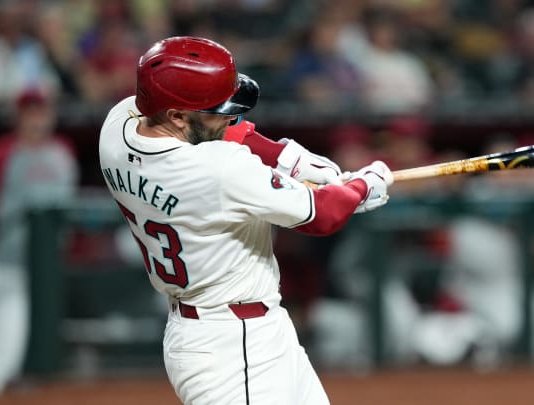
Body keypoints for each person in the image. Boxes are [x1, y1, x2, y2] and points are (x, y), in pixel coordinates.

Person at [98, 36, 393, 405]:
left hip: (239, 330)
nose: (230, 118)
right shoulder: (217, 170)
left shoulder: (118, 127)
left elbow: (222, 132)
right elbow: (322, 215)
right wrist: (366, 184)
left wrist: (286, 158)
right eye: (216, 110)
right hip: (231, 345)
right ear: (175, 116)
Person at [0, 88, 78, 397]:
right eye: (30, 112)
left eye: (41, 111)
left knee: (24, 322)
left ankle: (6, 379)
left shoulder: (62, 152)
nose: (36, 119)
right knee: (6, 320)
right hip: (5, 252)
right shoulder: (2, 152)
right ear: (18, 116)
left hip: (47, 258)